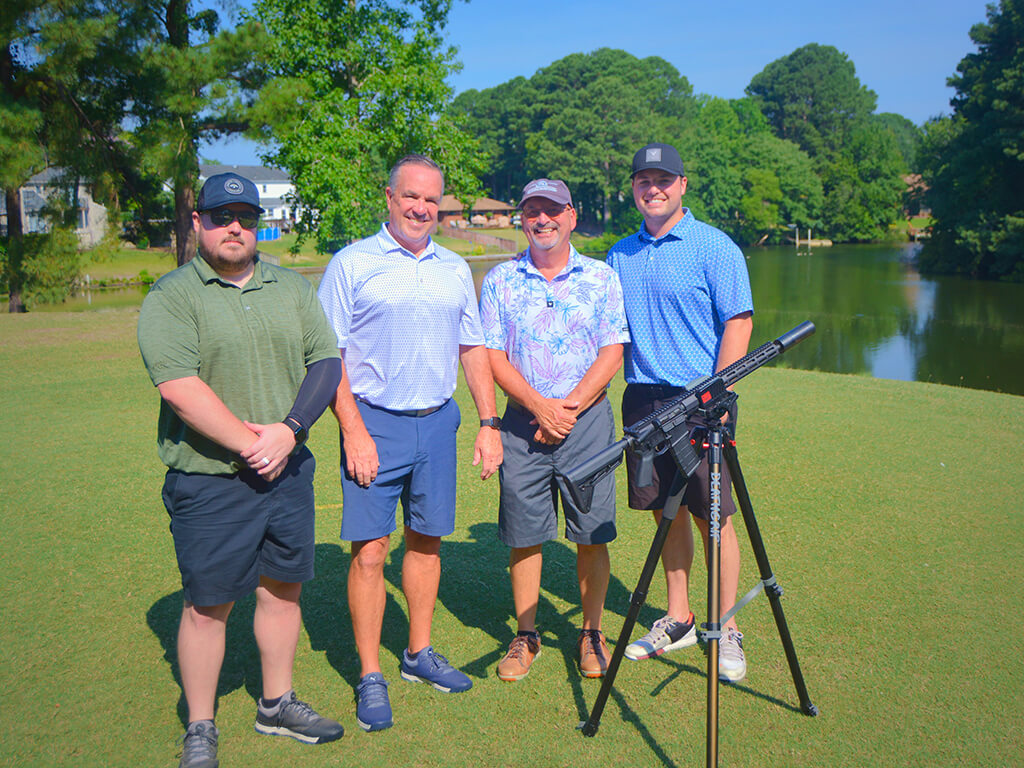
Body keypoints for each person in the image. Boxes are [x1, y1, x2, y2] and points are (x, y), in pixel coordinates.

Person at [137, 172, 345, 768]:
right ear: (198, 221)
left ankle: (276, 703)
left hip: (289, 469)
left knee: (282, 588)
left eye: (246, 218)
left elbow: (325, 361)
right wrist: (253, 445)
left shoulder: (290, 285)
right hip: (209, 478)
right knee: (209, 603)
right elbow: (179, 387)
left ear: (259, 225)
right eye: (221, 216)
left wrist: (289, 432)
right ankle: (200, 726)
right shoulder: (173, 296)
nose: (235, 227)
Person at [317, 154, 502, 732]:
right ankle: (371, 674)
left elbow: (472, 347)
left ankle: (418, 654)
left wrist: (488, 422)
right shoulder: (353, 264)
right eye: (411, 197)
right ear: (390, 197)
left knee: (426, 542)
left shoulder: (452, 267)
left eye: (432, 200)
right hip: (374, 422)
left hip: (438, 421)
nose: (422, 208)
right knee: (372, 551)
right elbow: (327, 358)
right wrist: (353, 431)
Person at [606, 143, 754, 683]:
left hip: (702, 400)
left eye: (664, 180)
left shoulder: (714, 247)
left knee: (712, 513)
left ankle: (727, 624)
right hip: (643, 397)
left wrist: (717, 391)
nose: (654, 189)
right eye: (644, 180)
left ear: (683, 184)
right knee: (661, 509)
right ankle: (679, 616)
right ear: (635, 189)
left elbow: (738, 322)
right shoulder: (619, 253)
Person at [479, 179, 630, 681]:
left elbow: (613, 350)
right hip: (522, 424)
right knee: (525, 533)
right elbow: (493, 357)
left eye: (551, 211)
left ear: (570, 215)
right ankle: (526, 636)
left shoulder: (602, 276)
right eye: (532, 212)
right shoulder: (501, 279)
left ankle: (591, 632)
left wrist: (564, 409)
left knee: (592, 532)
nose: (542, 220)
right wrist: (539, 409)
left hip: (586, 422)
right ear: (522, 218)